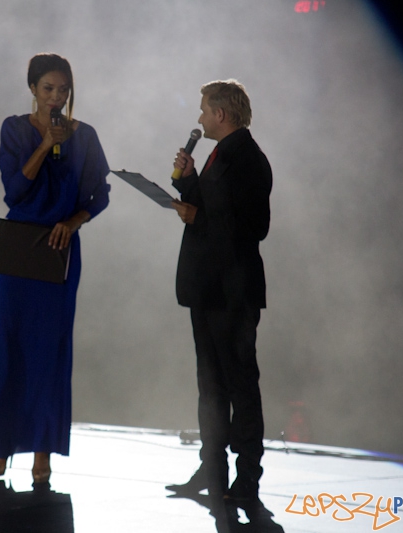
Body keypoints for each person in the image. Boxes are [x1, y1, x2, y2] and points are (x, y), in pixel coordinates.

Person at [0, 53, 110, 484]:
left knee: (51, 351)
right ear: (33, 89)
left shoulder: (84, 135)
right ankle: (1, 447)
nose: (56, 97)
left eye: (63, 90)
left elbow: (99, 194)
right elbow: (14, 191)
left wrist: (73, 222)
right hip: (20, 247)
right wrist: (44, 145)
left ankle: (43, 452)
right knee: (12, 345)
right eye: (48, 89)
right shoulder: (14, 128)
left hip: (59, 247)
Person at [167, 79, 272, 519]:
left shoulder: (248, 159)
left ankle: (246, 477)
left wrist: (198, 214)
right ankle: (212, 469)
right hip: (209, 288)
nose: (199, 118)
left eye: (204, 110)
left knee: (239, 384)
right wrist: (189, 182)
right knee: (210, 386)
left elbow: (252, 226)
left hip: (232, 291)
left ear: (221, 114)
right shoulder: (220, 154)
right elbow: (212, 208)